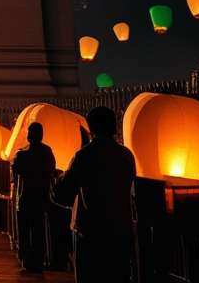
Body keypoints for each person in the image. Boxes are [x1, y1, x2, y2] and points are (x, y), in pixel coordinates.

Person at [53, 106, 135, 283]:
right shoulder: (126, 155)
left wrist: (57, 178)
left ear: (91, 128)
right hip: (119, 227)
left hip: (89, 229)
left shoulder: (84, 156)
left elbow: (63, 193)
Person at [11, 121, 56, 273]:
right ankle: (37, 261)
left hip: (25, 198)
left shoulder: (21, 154)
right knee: (38, 231)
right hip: (40, 198)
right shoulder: (47, 152)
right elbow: (50, 172)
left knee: (24, 231)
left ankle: (26, 260)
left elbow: (16, 170)